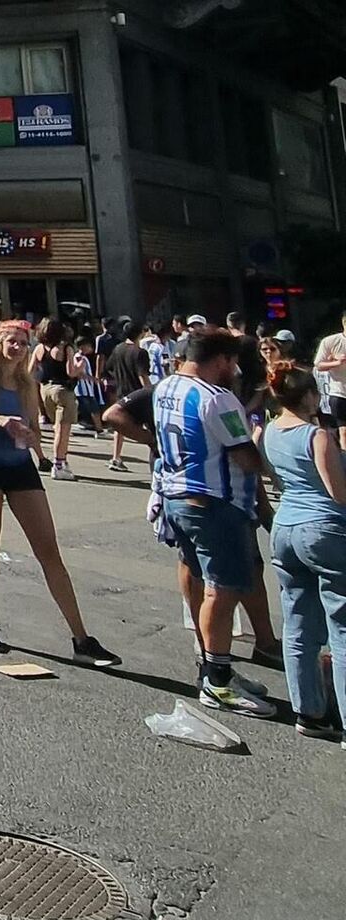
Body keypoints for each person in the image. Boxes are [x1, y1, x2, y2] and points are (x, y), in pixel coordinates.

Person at [0, 318, 116, 666]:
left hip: (20, 467)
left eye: (23, 343)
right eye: (12, 342)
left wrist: (40, 450)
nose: (18, 348)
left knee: (49, 551)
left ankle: (81, 638)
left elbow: (34, 426)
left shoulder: (27, 382)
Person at [152, 327, 274, 718]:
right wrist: (265, 450)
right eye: (232, 361)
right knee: (222, 591)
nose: (235, 369)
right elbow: (244, 456)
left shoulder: (165, 387)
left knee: (204, 580)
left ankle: (214, 667)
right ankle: (217, 678)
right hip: (213, 502)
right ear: (220, 360)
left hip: (177, 496)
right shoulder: (217, 399)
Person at [259, 365, 346, 739]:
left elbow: (277, 476)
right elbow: (337, 492)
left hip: (285, 528)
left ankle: (308, 712)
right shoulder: (318, 437)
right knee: (341, 627)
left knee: (297, 622)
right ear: (310, 395)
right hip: (323, 529)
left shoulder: (270, 432)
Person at [31, 317, 79, 481]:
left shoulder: (39, 349)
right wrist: (81, 368)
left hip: (45, 389)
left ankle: (61, 461)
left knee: (56, 428)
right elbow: (71, 372)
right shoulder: (65, 348)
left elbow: (30, 371)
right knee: (63, 429)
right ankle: (59, 464)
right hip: (62, 389)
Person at [103, 320, 149, 471]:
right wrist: (150, 391)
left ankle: (116, 457)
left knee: (120, 427)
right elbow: (142, 374)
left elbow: (108, 367)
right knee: (150, 426)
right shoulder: (140, 352)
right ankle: (157, 456)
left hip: (121, 391)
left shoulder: (118, 349)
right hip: (138, 394)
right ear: (140, 333)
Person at [309, 310, 346, 429]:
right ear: (344, 323)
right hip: (339, 392)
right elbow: (318, 365)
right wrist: (336, 362)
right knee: (343, 430)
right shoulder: (330, 341)